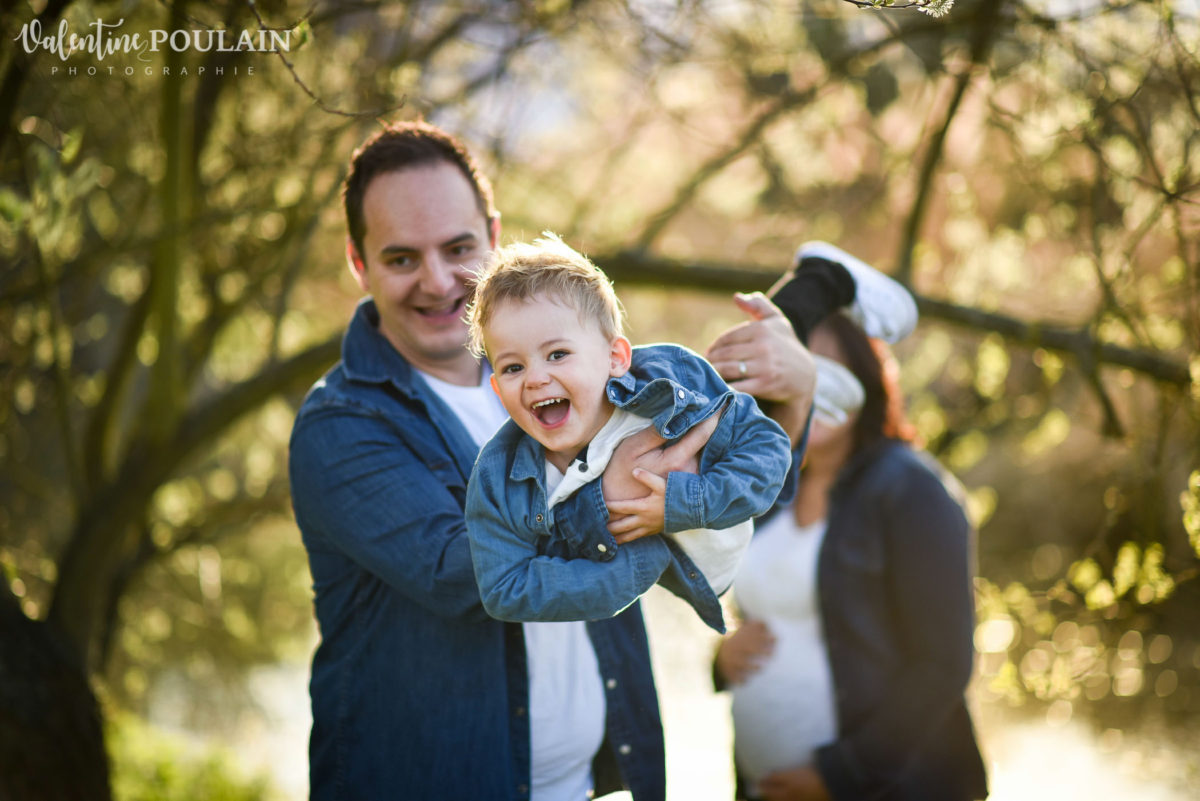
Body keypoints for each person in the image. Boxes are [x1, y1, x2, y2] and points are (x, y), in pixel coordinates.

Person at [287, 120, 816, 800]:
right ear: (359, 264)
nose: (438, 280)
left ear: (493, 237)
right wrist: (616, 494)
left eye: (458, 248)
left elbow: (738, 501)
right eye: (401, 258)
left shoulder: (585, 375)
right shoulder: (342, 426)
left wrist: (794, 400)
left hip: (589, 786)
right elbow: (464, 574)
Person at [712, 309, 989, 801]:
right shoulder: (768, 487)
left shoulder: (911, 489)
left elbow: (943, 664)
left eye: (828, 366)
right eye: (796, 364)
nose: (812, 382)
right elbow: (771, 613)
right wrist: (722, 656)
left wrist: (839, 776)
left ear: (864, 377)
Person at [463, 234, 794, 634]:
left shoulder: (670, 381)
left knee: (778, 391)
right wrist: (639, 562)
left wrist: (681, 504)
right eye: (513, 368)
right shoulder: (498, 476)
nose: (535, 378)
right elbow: (503, 589)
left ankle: (808, 299)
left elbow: (769, 447)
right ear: (497, 389)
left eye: (557, 354)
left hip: (749, 523)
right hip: (688, 579)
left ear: (615, 357)